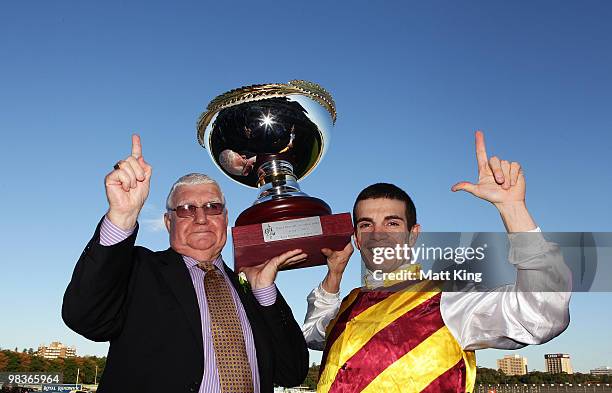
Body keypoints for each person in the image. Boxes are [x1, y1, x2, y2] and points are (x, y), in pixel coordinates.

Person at [302, 131, 572, 393]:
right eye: (366, 225)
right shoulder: (351, 302)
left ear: (413, 235)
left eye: (392, 223)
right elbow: (313, 335)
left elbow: (541, 315)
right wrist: (333, 277)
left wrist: (513, 208)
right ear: (357, 239)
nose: (378, 234)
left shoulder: (447, 298)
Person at [62, 134, 309, 393]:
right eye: (186, 209)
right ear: (169, 223)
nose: (201, 218)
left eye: (212, 207)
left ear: (225, 219)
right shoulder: (138, 269)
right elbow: (84, 316)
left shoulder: (249, 287)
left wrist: (265, 292)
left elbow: (292, 372)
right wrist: (122, 217)